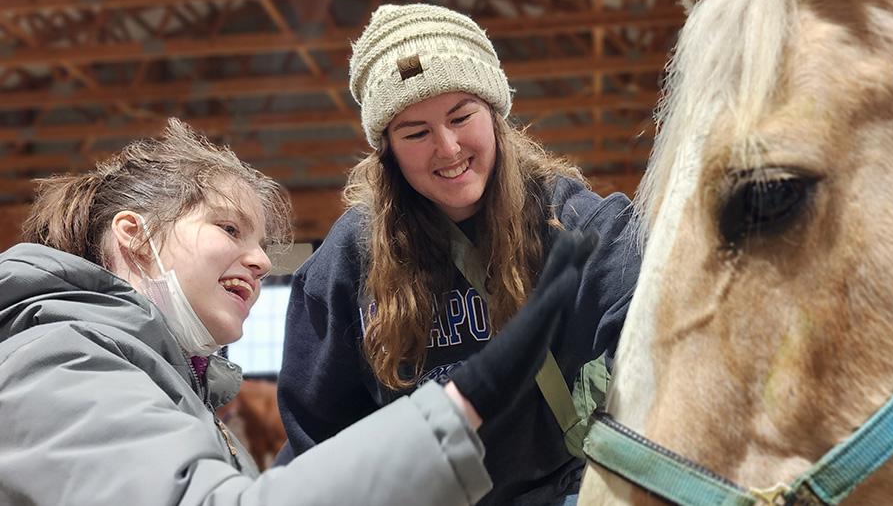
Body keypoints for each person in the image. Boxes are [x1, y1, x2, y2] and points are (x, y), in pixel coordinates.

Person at [0, 119, 597, 506]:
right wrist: (466, 401)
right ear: (133, 236)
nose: (260, 260)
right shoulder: (58, 358)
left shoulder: (162, 387)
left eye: (260, 243)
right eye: (230, 228)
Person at [276, 3, 642, 505]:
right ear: (387, 149)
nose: (447, 149)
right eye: (416, 133)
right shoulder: (347, 263)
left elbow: (650, 336)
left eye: (461, 116)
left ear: (494, 115)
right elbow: (318, 430)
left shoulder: (574, 222)